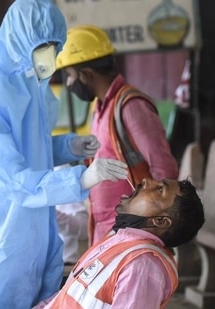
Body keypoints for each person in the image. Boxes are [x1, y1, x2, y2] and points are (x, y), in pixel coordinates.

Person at [0, 0, 130, 307]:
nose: (51, 55)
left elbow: (30, 149)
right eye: (43, 45)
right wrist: (81, 178)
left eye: (55, 46)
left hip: (29, 224)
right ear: (18, 40)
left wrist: (66, 146)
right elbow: (10, 178)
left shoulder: (32, 85)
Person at [56, 25, 179, 244]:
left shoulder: (130, 106)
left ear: (86, 75)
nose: (68, 83)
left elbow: (164, 169)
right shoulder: (103, 108)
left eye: (70, 75)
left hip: (132, 231)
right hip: (107, 228)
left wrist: (155, 229)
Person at [34, 177, 205, 308]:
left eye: (160, 189)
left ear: (160, 221)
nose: (146, 181)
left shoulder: (142, 265)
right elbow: (68, 295)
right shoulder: (120, 242)